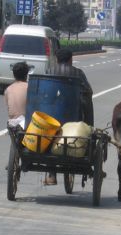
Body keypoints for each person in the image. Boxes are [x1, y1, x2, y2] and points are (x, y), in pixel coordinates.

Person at [44, 48, 94, 185]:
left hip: (51, 118)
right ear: (71, 60)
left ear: (56, 60)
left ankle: (51, 174)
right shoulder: (78, 73)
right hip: (74, 117)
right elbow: (88, 92)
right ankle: (90, 128)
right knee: (87, 99)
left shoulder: (49, 71)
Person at [4, 62, 29, 128]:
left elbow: (9, 108)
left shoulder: (8, 89)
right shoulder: (30, 87)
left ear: (13, 75)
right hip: (26, 125)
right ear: (26, 75)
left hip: (12, 126)